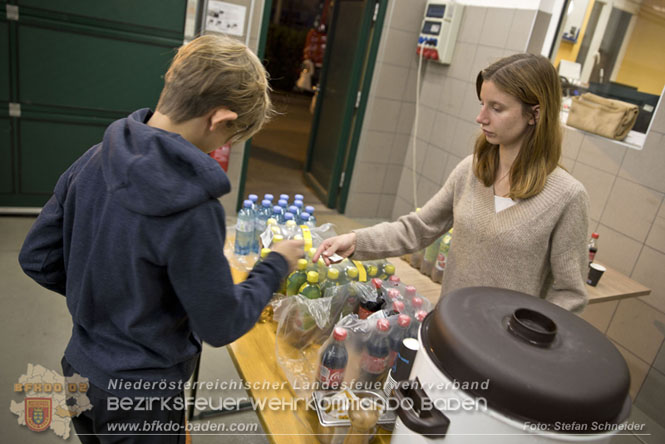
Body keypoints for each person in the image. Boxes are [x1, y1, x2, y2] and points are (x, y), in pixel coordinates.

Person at [19, 35, 303, 443]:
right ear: (219, 119)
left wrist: (105, 302)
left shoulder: (95, 158)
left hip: (79, 372)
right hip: (142, 398)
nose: (223, 147)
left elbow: (36, 257)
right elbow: (221, 323)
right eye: (230, 137)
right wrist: (276, 263)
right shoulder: (192, 205)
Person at [315, 53, 589, 313]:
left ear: (535, 114)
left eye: (496, 108)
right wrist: (356, 240)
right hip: (450, 325)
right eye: (482, 104)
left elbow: (570, 294)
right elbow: (418, 228)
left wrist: (529, 340)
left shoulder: (567, 196)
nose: (481, 118)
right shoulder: (472, 170)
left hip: (506, 349)